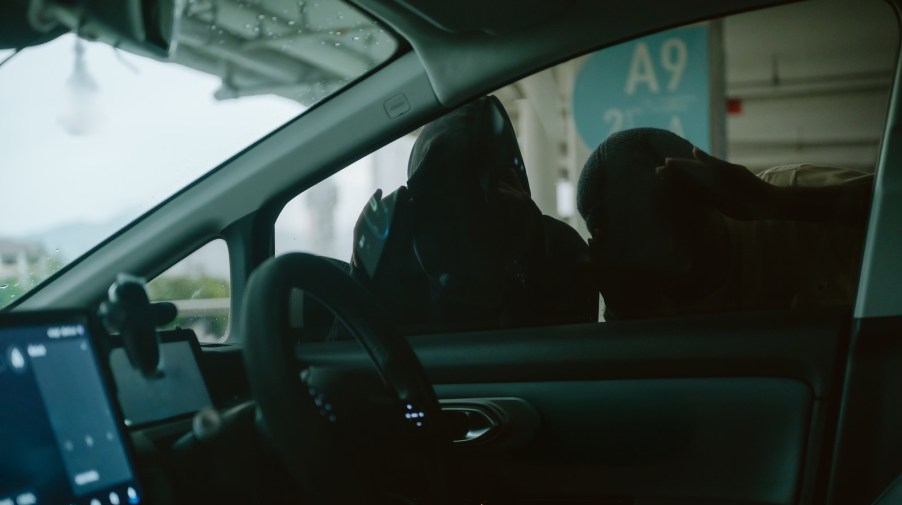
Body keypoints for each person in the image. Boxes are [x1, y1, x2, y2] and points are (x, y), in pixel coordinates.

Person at [351, 96, 598, 332]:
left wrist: (365, 271)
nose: (464, 215)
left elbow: (356, 353)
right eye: (443, 186)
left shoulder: (398, 253)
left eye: (476, 187)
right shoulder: (558, 243)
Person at [576, 127, 872, 320]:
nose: (661, 233)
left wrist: (778, 203)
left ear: (705, 180)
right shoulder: (644, 309)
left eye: (668, 198)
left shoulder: (790, 196)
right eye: (631, 228)